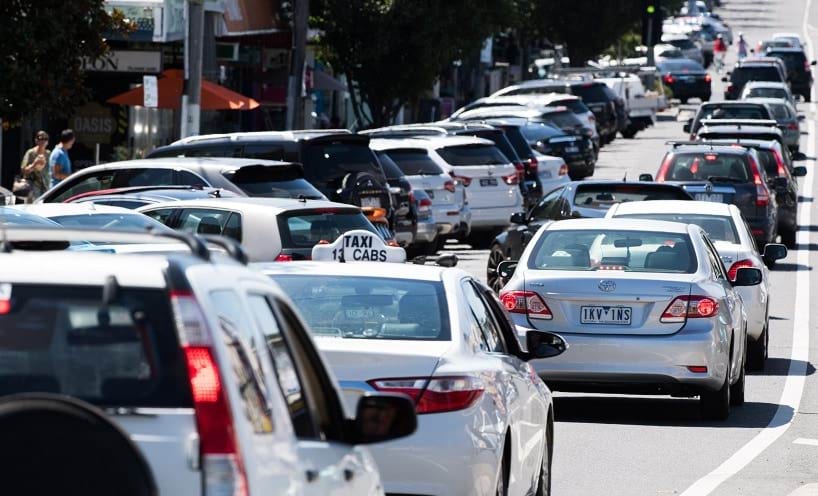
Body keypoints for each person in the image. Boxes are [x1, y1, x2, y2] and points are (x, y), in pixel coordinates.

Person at [18, 131, 51, 202]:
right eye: (40, 138)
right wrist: (34, 164)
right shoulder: (31, 153)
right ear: (36, 140)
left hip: (46, 187)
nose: (43, 141)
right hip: (33, 187)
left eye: (45, 139)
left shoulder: (48, 154)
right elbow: (23, 170)